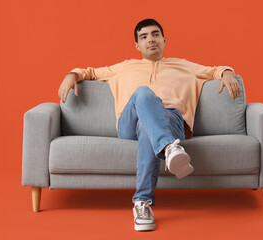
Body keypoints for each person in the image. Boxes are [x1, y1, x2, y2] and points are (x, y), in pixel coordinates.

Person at [58, 19, 240, 231]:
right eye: (144, 37)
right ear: (137, 45)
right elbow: (90, 72)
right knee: (143, 92)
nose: (150, 39)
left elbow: (215, 70)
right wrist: (71, 76)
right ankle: (170, 147)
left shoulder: (185, 66)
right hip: (129, 124)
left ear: (164, 40)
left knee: (149, 128)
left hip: (172, 120)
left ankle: (142, 203)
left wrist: (228, 73)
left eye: (155, 34)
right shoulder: (124, 67)